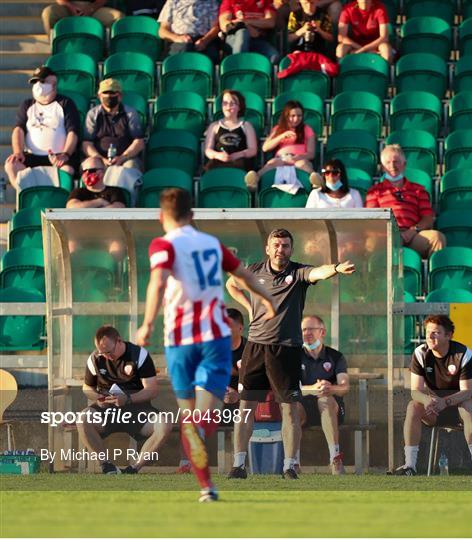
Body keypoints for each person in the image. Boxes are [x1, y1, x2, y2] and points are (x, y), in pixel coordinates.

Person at [135, 187, 277, 502]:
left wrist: (145, 324)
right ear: (193, 215)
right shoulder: (213, 244)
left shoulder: (163, 244)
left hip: (181, 341)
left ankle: (206, 486)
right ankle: (204, 466)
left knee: (188, 418)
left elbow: (157, 281)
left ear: (161, 217)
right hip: (215, 339)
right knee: (203, 418)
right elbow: (244, 275)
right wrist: (267, 301)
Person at [225, 228, 355, 479]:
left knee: (289, 407)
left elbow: (318, 272)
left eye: (285, 246)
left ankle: (290, 465)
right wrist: (249, 307)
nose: (280, 250)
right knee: (246, 407)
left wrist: (336, 268)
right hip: (256, 347)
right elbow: (231, 283)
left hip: (286, 349)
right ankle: (239, 464)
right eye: (276, 245)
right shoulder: (253, 270)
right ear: (267, 248)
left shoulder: (297, 272)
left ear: (291, 249)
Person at [394, 315, 472, 476]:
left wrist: (446, 401)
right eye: (428, 332)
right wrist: (427, 400)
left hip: (461, 406)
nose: (430, 336)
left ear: (448, 335)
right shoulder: (420, 353)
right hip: (435, 408)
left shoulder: (463, 353)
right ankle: (410, 466)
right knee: (413, 406)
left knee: (468, 406)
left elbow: (467, 392)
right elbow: (415, 391)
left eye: (435, 332)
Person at [78, 325, 172, 474]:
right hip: (106, 411)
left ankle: (133, 469)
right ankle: (106, 466)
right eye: (102, 353)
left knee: (165, 423)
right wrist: (98, 397)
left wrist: (128, 399)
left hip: (137, 411)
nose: (106, 356)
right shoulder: (95, 358)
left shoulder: (139, 355)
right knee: (82, 419)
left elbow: (152, 390)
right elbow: (86, 388)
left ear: (119, 341)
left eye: (109, 352)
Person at [177, 307, 247, 474]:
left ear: (240, 328)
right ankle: (188, 462)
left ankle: (240, 465)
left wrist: (238, 395)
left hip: (244, 401)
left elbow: (258, 380)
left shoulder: (251, 349)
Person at [4, 66, 79, 189]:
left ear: (54, 84)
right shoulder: (27, 105)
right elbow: (18, 130)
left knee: (67, 169)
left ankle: (57, 201)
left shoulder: (65, 103)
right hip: (32, 156)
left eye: (43, 82)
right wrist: (18, 151)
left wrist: (65, 154)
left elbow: (73, 132)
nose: (38, 85)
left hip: (57, 157)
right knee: (11, 165)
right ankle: (27, 198)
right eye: (35, 82)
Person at [365, 144, 446, 258]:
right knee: (371, 243)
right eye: (388, 163)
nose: (392, 166)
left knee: (437, 238)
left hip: (413, 236)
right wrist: (392, 234)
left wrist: (412, 231)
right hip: (387, 237)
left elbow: (428, 219)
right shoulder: (374, 191)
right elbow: (371, 220)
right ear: (383, 167)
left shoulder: (418, 189)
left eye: (396, 161)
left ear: (404, 164)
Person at [298, 315, 349, 474]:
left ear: (322, 332)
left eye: (311, 329)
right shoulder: (294, 356)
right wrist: (312, 389)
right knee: (292, 408)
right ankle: (293, 463)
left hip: (332, 409)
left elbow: (345, 386)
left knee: (325, 400)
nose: (307, 333)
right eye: (304, 329)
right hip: (304, 408)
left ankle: (335, 459)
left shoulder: (336, 357)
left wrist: (330, 388)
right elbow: (290, 388)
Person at [244, 100, 323, 192]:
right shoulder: (278, 129)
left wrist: (296, 158)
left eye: (299, 116)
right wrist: (282, 136)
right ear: (286, 116)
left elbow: (311, 153)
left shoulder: (307, 129)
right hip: (281, 158)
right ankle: (255, 179)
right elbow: (265, 148)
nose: (296, 119)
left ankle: (315, 181)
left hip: (299, 159)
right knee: (272, 162)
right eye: (293, 116)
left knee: (303, 164)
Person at [82, 79, 145, 172]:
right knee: (90, 166)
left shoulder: (130, 113)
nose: (108, 96)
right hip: (99, 158)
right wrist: (101, 159)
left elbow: (139, 142)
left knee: (130, 167)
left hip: (126, 158)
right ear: (99, 96)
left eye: (112, 93)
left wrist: (122, 158)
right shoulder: (93, 114)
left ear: (120, 96)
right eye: (105, 93)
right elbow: (86, 143)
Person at [204, 90, 257, 172]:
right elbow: (208, 150)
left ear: (239, 107)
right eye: (225, 103)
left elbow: (253, 150)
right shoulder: (214, 126)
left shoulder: (246, 125)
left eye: (232, 103)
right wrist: (218, 155)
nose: (228, 106)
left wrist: (238, 155)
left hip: (239, 162)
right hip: (219, 161)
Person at [158, 0, 221, 64]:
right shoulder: (172, 2)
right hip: (178, 40)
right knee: (184, 49)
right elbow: (162, 31)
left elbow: (215, 28)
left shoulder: (211, 2)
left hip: (203, 39)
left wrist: (205, 41)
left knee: (210, 55)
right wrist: (177, 38)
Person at [41, 0, 124, 38]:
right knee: (49, 13)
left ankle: (108, 52)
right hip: (67, 6)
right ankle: (56, 47)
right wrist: (71, 7)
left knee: (118, 17)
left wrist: (91, 8)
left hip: (93, 7)